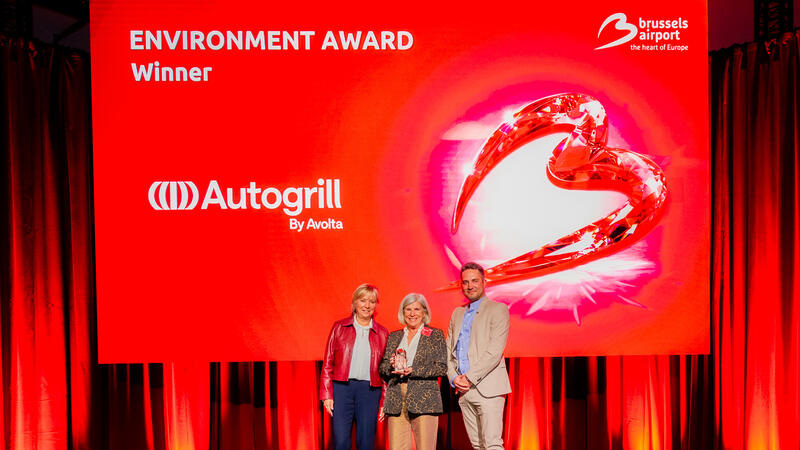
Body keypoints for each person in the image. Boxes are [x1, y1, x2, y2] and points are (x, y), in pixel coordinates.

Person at [447, 262, 511, 450]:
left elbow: (494, 352)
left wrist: (469, 378)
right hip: (464, 390)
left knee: (492, 444)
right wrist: (453, 378)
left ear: (484, 282)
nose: (470, 286)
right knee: (477, 445)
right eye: (465, 282)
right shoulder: (457, 313)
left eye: (475, 281)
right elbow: (448, 351)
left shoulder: (498, 309)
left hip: (488, 388)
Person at [320, 284, 389, 450]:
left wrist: (384, 401)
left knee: (366, 442)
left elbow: (386, 371)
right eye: (363, 300)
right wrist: (327, 394)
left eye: (371, 301)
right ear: (355, 303)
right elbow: (328, 362)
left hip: (370, 391)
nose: (367, 305)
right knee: (341, 441)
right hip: (342, 389)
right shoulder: (339, 327)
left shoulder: (382, 333)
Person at [380, 293, 447, 450]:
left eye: (417, 309)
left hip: (424, 399)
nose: (412, 314)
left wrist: (414, 370)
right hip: (397, 399)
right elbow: (382, 368)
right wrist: (390, 366)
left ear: (424, 311)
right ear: (403, 312)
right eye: (408, 309)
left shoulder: (435, 335)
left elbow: (441, 367)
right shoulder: (395, 336)